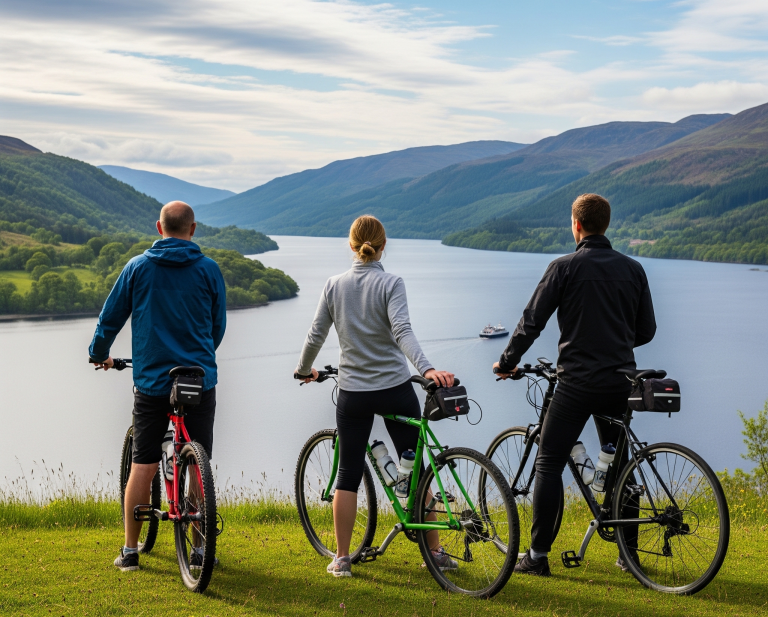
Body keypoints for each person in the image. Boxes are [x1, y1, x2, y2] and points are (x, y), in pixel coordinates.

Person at [493, 193, 656, 576]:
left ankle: (537, 556)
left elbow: (531, 321)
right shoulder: (633, 269)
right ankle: (627, 556)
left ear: (576, 225)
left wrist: (507, 362)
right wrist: (612, 343)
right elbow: (646, 330)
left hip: (576, 384)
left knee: (548, 462)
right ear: (607, 224)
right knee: (619, 463)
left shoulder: (562, 267)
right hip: (621, 381)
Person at [295, 215, 456, 578]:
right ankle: (437, 552)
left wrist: (305, 369)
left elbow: (315, 335)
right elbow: (403, 332)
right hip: (396, 390)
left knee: (348, 475)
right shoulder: (391, 283)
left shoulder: (334, 285)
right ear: (383, 246)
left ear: (351, 246)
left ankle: (341, 558)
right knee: (415, 471)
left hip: (354, 394)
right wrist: (427, 369)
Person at [89, 201, 226, 572]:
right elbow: (218, 327)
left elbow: (111, 317)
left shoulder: (137, 267)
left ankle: (130, 551)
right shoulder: (209, 270)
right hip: (198, 380)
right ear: (193, 229)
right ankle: (200, 551)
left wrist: (99, 352)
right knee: (198, 464)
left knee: (144, 464)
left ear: (159, 227)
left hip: (151, 383)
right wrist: (200, 356)